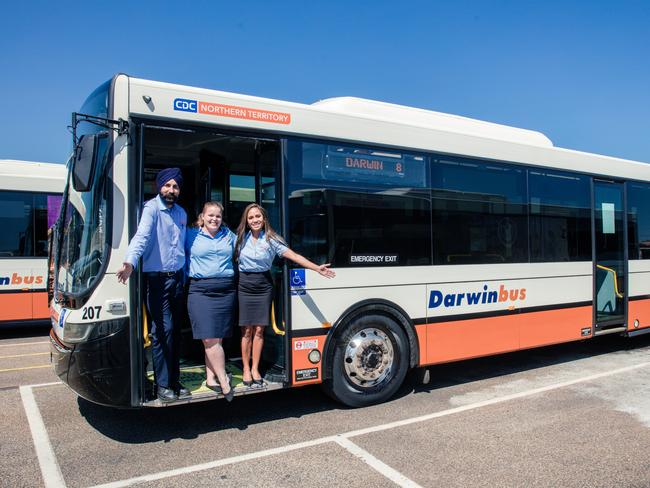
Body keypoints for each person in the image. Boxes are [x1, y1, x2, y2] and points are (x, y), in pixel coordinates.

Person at [235, 203, 335, 386]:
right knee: (246, 330)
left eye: (258, 216)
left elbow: (294, 256)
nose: (255, 220)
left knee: (259, 330)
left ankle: (255, 368)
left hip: (263, 284)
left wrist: (316, 268)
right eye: (251, 218)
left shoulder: (272, 239)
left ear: (264, 218)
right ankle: (245, 369)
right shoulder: (239, 238)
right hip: (245, 285)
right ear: (247, 221)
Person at [116, 167, 188, 403]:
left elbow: (182, 248)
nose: (171, 190)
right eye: (167, 185)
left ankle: (174, 380)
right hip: (157, 280)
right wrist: (130, 262)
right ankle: (162, 384)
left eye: (175, 186)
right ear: (159, 187)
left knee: (175, 332)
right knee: (162, 332)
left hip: (177, 278)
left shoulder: (181, 213)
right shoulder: (151, 208)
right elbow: (142, 236)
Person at [185, 202, 235, 402]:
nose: (214, 219)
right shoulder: (190, 235)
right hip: (200, 290)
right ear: (202, 216)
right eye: (210, 215)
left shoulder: (228, 235)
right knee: (209, 338)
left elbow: (248, 246)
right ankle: (224, 381)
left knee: (216, 339)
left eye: (218, 216)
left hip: (225, 290)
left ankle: (210, 377)